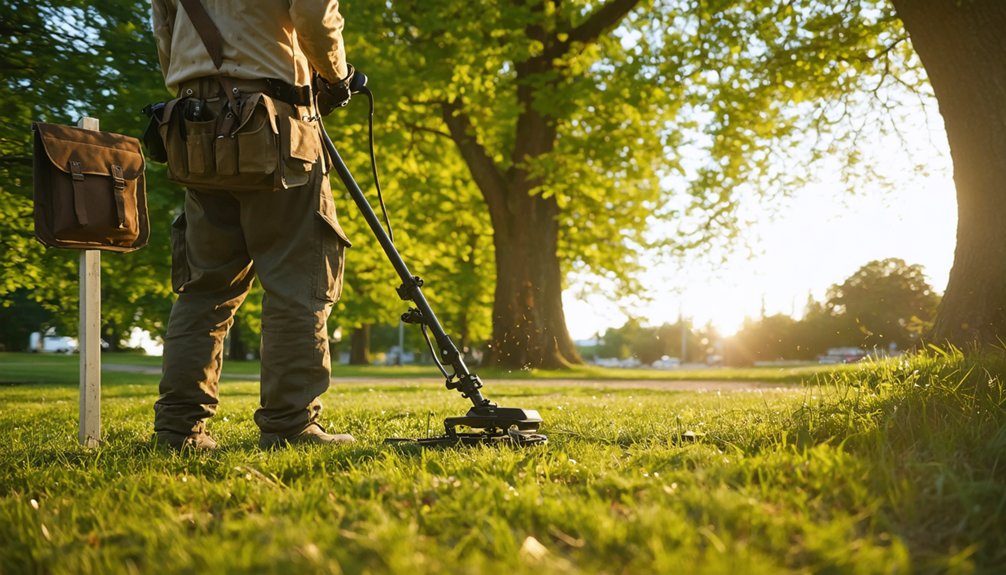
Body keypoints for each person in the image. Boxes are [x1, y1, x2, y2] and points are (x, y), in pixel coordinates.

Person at [150, 0, 356, 450]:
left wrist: (197, 86)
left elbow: (164, 31)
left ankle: (179, 429)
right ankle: (290, 423)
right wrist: (337, 77)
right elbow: (314, 18)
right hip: (274, 123)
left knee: (205, 287)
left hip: (192, 124)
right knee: (296, 281)